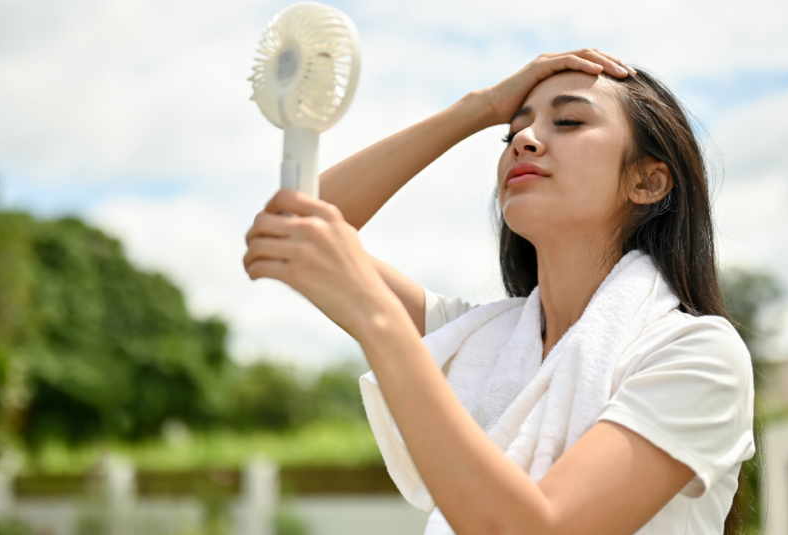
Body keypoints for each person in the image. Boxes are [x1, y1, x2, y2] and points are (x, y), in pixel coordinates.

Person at [243, 49, 755, 535]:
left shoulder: (696, 355)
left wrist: (380, 324)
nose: (524, 139)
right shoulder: (477, 342)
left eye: (570, 121)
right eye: (512, 131)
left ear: (647, 181)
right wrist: (480, 107)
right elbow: (290, 224)